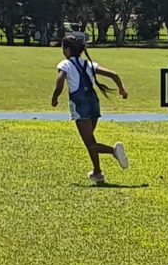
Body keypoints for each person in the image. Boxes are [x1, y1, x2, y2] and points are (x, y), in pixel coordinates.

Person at [50, 32, 129, 184]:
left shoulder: (65, 64)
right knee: (90, 140)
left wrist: (55, 98)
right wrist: (122, 89)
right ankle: (97, 172)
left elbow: (59, 84)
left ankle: (114, 151)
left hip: (80, 105)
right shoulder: (89, 64)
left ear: (67, 50)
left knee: (90, 143)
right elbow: (114, 75)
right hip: (94, 102)